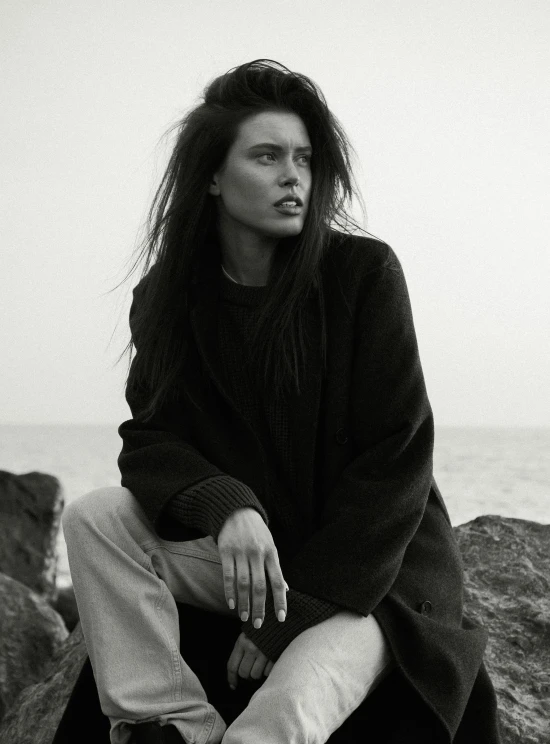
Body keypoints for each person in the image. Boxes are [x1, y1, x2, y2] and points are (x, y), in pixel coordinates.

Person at [61, 59, 501, 744]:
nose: (294, 176)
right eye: (267, 157)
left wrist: (284, 622)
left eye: (303, 158)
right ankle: (170, 723)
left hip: (375, 585)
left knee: (278, 718)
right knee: (97, 518)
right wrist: (226, 503)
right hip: (257, 561)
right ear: (211, 176)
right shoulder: (169, 300)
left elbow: (397, 462)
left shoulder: (364, 276)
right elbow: (149, 439)